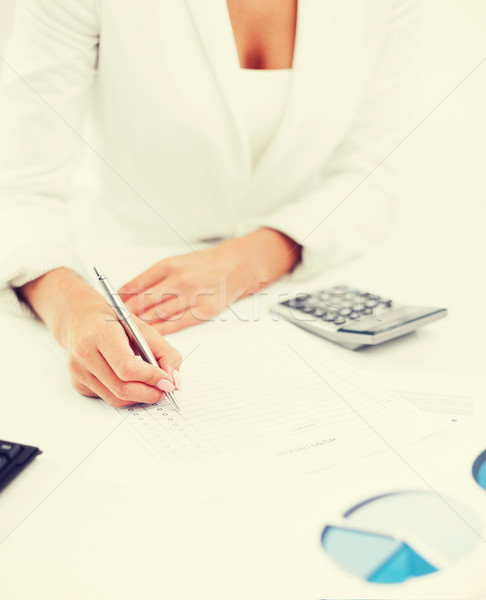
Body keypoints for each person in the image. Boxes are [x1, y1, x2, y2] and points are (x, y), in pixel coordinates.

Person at [0, 0, 419, 407]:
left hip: (302, 277)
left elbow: (372, 174)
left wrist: (248, 260)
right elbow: (20, 186)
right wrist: (75, 314)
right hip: (124, 287)